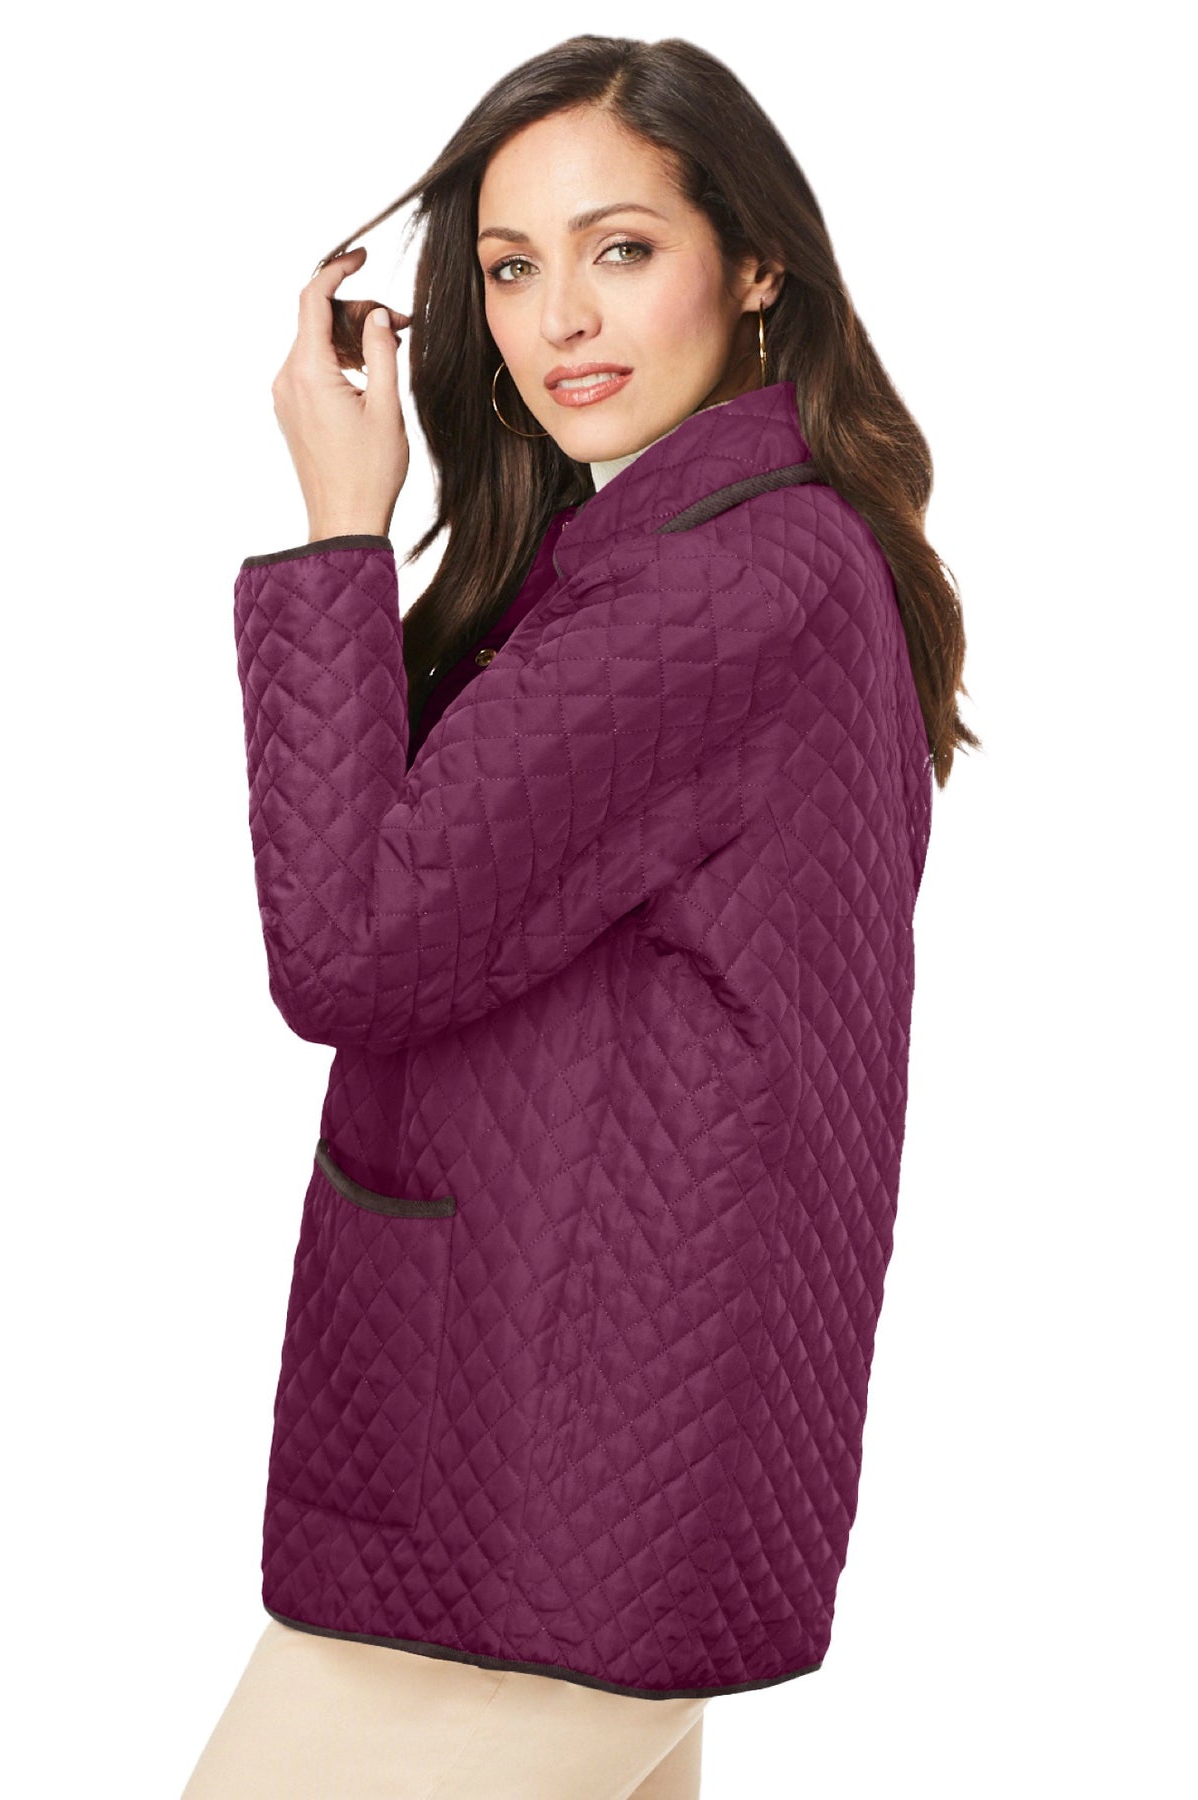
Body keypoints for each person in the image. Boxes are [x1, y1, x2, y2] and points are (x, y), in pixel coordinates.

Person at [182, 32, 976, 1800]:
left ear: (755, 263)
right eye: (510, 268)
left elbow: (347, 946)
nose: (561, 322)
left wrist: (338, 527)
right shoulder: (733, 551)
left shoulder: (720, 584)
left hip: (538, 1485)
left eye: (622, 248)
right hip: (594, 1468)